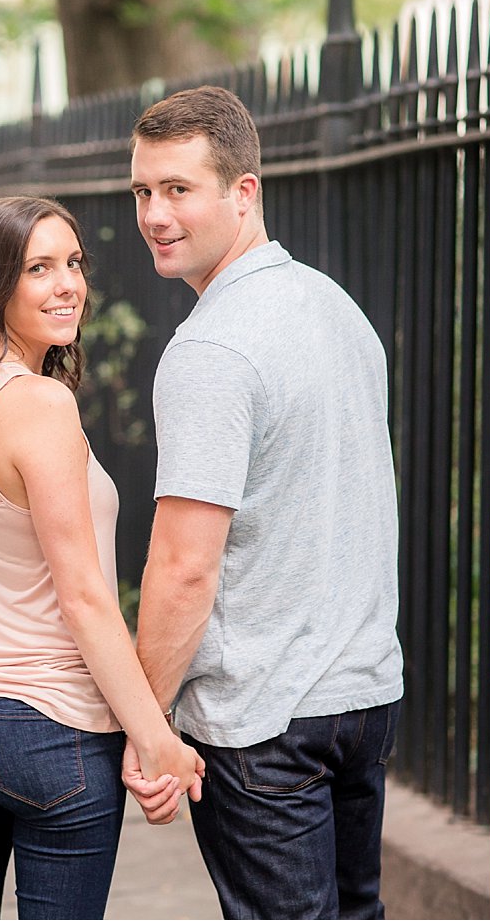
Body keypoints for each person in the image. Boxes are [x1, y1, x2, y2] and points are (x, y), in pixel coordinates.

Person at [120, 85, 404, 919]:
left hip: (263, 723)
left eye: (178, 188)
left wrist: (146, 723)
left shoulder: (210, 346)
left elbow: (182, 567)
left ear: (244, 191)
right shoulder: (336, 307)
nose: (154, 214)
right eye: (142, 190)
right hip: (362, 698)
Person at [0, 196, 203, 920]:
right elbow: (85, 598)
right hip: (49, 729)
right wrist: (154, 736)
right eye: (38, 268)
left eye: (73, 263)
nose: (68, 283)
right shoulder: (38, 405)